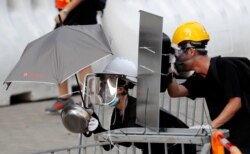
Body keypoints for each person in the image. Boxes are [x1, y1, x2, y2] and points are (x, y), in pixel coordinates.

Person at [166, 21, 250, 153]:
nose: (177, 57)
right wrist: (167, 68)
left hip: (244, 143)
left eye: (178, 52)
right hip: (223, 142)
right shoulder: (200, 78)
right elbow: (175, 92)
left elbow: (235, 103)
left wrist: (209, 127)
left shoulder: (225, 67)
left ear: (191, 51)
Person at [84, 57, 196, 154]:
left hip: (179, 148)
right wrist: (94, 122)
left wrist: (99, 129)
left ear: (120, 89)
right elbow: (109, 144)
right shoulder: (118, 111)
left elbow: (126, 138)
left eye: (104, 85)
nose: (100, 90)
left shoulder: (139, 109)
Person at [46, 0, 104, 113]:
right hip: (68, 11)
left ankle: (87, 102)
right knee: (59, 53)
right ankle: (64, 98)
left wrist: (66, 10)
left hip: (80, 12)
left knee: (82, 59)